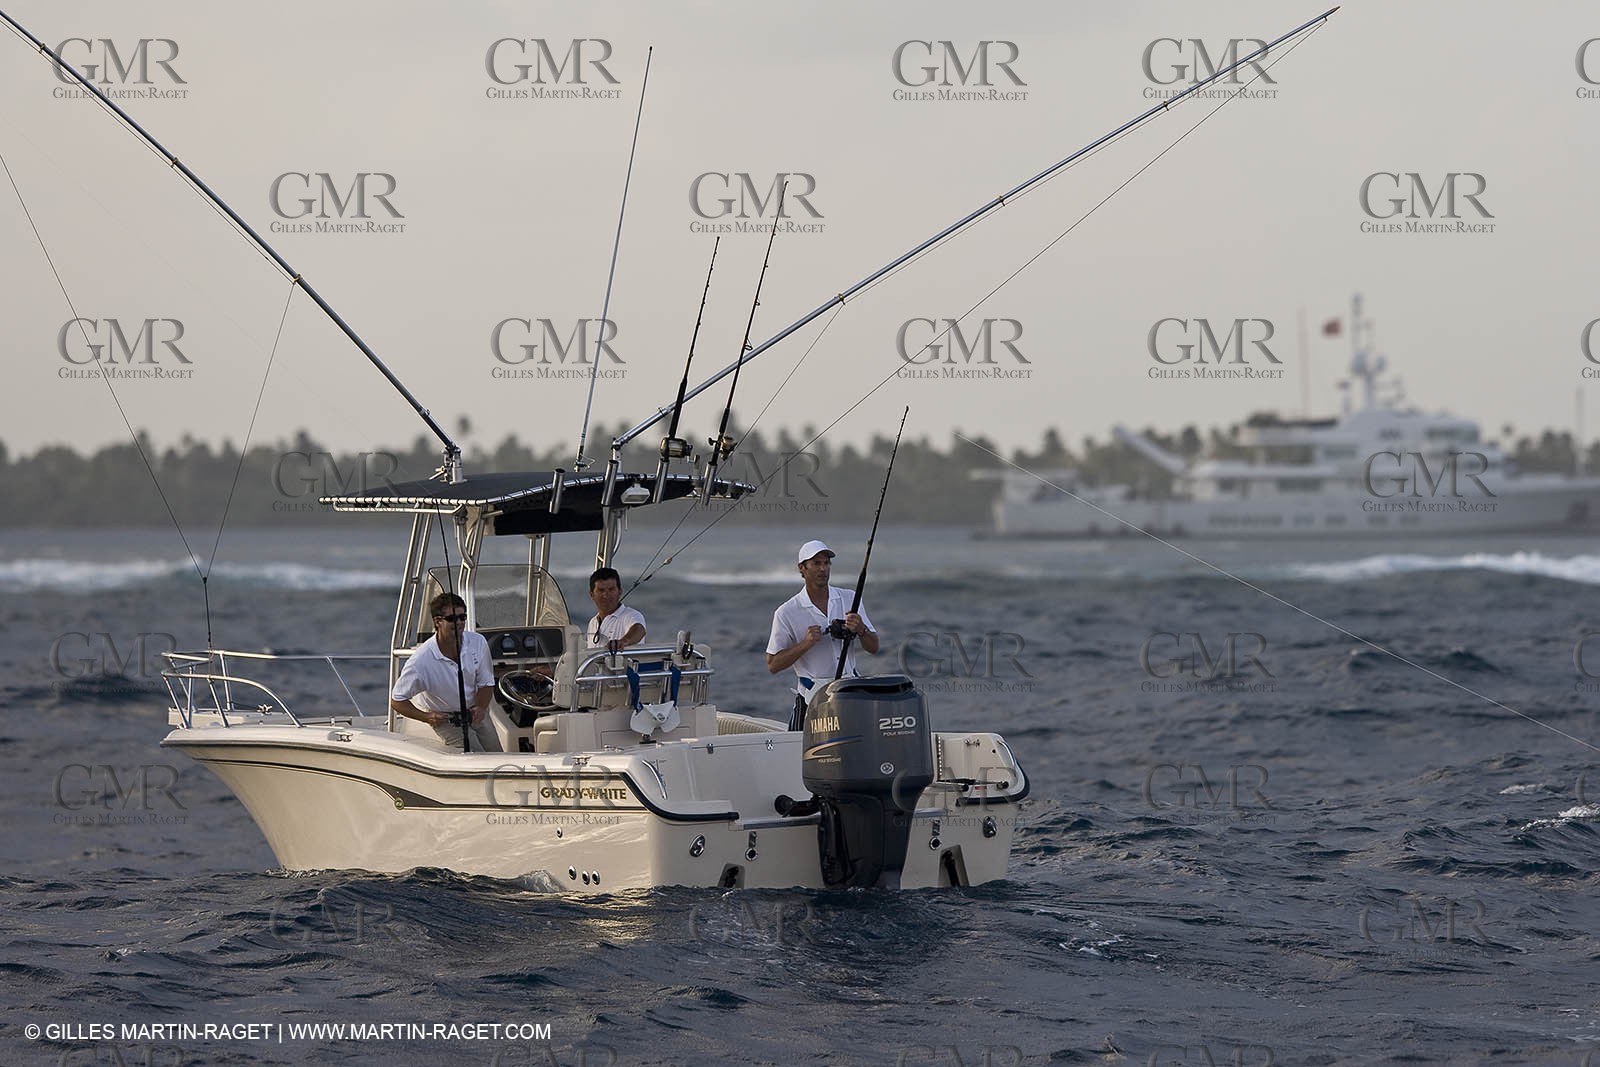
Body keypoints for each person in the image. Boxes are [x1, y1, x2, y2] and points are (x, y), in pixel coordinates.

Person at [766, 539, 880, 726]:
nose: (823, 569)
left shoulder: (850, 598)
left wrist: (861, 629)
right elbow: (773, 665)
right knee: (798, 744)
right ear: (802, 568)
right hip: (811, 698)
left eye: (826, 563)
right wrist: (806, 644)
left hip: (850, 693)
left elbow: (874, 647)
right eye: (816, 563)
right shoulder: (786, 612)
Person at [390, 592, 501, 752]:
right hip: (446, 720)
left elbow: (486, 683)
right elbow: (397, 700)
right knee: (476, 756)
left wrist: (481, 707)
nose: (459, 623)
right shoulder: (420, 661)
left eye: (462, 617)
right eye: (452, 619)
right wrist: (427, 717)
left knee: (497, 754)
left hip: (476, 712)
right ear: (437, 622)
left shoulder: (478, 642)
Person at [586, 567, 647, 653]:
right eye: (601, 590)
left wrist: (623, 642)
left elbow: (639, 629)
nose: (606, 595)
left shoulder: (632, 615)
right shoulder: (593, 622)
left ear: (620, 592)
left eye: (611, 590)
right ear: (592, 595)